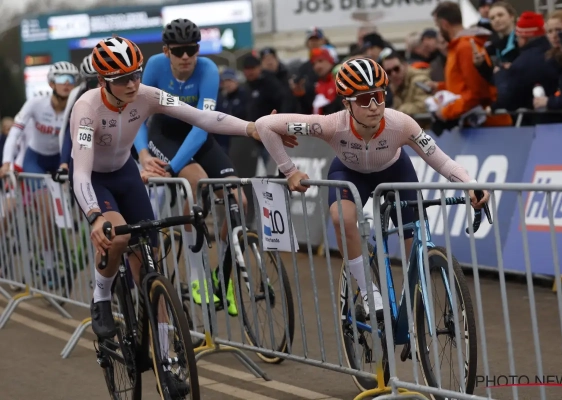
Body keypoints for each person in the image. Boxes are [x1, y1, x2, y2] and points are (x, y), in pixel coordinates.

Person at [69, 35, 289, 395]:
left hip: (125, 175)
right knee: (118, 235)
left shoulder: (146, 95)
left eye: (136, 74)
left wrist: (252, 128)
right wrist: (94, 215)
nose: (133, 84)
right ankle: (101, 297)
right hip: (95, 180)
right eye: (123, 79)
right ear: (103, 81)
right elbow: (80, 173)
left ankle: (166, 359)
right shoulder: (86, 108)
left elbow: (203, 117)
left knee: (151, 271)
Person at [254, 58, 490, 316]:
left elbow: (442, 161)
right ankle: (368, 292)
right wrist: (289, 170)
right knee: (341, 218)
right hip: (350, 172)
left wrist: (470, 184)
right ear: (347, 104)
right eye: (365, 100)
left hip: (396, 171)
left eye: (378, 96)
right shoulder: (331, 125)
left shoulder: (402, 124)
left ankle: (413, 305)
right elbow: (265, 125)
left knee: (416, 246)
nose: (374, 106)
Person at [133, 19, 245, 315]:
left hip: (198, 135)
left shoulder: (208, 70)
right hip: (164, 135)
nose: (186, 57)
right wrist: (143, 153)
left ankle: (224, 276)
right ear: (166, 51)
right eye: (179, 51)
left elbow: (202, 127)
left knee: (239, 201)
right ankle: (197, 275)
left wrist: (174, 168)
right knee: (196, 183)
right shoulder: (155, 66)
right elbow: (137, 115)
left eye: (192, 50)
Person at [1, 61, 79, 282]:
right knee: (47, 208)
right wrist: (6, 163)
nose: (67, 83)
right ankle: (49, 264)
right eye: (62, 79)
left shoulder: (76, 106)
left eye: (71, 79)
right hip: (34, 160)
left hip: (61, 161)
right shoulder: (36, 103)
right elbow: (14, 133)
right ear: (51, 83)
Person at [57, 54, 100, 179]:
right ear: (86, 82)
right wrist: (64, 163)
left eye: (104, 80)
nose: (99, 86)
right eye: (94, 82)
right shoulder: (77, 95)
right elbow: (69, 130)